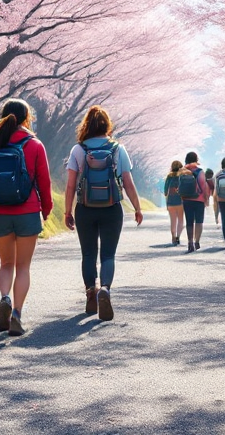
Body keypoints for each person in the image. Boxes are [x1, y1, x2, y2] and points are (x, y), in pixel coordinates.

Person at [0, 98, 53, 337]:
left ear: (3, 116)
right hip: (27, 211)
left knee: (6, 263)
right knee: (23, 266)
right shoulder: (35, 144)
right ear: (27, 118)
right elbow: (44, 182)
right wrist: (46, 209)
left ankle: (4, 298)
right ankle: (17, 314)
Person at [64, 106, 144, 321]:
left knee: (88, 253)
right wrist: (137, 207)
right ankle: (105, 289)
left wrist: (67, 211)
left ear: (86, 125)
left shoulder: (78, 150)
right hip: (112, 208)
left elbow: (71, 185)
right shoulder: (118, 149)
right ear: (107, 125)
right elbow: (128, 182)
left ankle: (91, 290)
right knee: (108, 254)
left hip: (85, 209)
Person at [178, 151, 209, 252]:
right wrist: (206, 199)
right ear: (196, 160)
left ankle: (190, 242)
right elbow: (203, 186)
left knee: (189, 222)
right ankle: (197, 241)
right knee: (199, 221)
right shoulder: (200, 171)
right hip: (199, 200)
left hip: (187, 200)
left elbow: (179, 187)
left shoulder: (182, 172)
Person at [161, 160, 186, 245]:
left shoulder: (169, 176)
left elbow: (165, 191)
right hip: (180, 201)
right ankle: (178, 236)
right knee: (181, 220)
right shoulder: (182, 176)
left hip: (170, 202)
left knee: (173, 221)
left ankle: (173, 237)